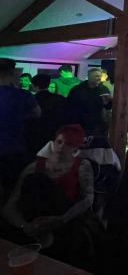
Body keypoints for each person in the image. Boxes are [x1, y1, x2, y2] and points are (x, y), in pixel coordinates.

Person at [1, 124, 102, 270]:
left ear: (76, 147)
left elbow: (87, 199)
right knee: (35, 179)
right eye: (59, 142)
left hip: (65, 214)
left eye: (68, 144)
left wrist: (62, 219)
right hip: (34, 218)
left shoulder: (82, 165)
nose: (62, 147)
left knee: (41, 181)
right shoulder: (34, 167)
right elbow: (11, 204)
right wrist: (24, 226)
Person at [0, 58, 40, 193]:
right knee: (12, 188)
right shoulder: (23, 94)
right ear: (12, 73)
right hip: (14, 147)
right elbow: (37, 114)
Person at [66, 68, 112, 136]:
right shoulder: (77, 89)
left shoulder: (104, 89)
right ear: (89, 76)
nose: (99, 78)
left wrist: (109, 101)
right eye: (97, 76)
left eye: (100, 76)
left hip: (98, 123)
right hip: (80, 122)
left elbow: (108, 107)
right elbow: (69, 106)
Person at [30, 74, 66, 153]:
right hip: (55, 133)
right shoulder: (60, 98)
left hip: (35, 134)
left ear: (34, 85)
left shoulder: (32, 99)